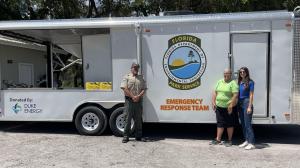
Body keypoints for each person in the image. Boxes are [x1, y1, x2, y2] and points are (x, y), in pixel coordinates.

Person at [210, 69, 239, 147]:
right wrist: (213, 102)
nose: (226, 74)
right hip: (219, 106)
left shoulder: (233, 83)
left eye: (228, 73)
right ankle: (218, 139)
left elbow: (235, 95)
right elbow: (215, 92)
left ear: (231, 74)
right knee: (220, 123)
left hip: (229, 107)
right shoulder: (219, 81)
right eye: (225, 73)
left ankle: (229, 140)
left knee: (229, 123)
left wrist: (230, 105)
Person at [120, 63, 147, 143]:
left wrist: (138, 96)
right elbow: (124, 88)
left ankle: (138, 136)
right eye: (134, 68)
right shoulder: (127, 77)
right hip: (129, 101)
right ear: (131, 68)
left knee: (138, 119)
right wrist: (133, 96)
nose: (136, 69)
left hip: (138, 101)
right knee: (127, 119)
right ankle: (126, 136)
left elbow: (144, 89)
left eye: (137, 68)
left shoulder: (141, 77)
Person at [238, 67, 255, 150]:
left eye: (243, 72)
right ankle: (247, 140)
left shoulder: (250, 82)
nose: (242, 73)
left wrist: (249, 106)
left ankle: (251, 143)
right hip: (240, 103)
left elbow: (251, 95)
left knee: (248, 124)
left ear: (247, 73)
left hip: (246, 102)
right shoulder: (240, 82)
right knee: (243, 124)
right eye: (240, 72)